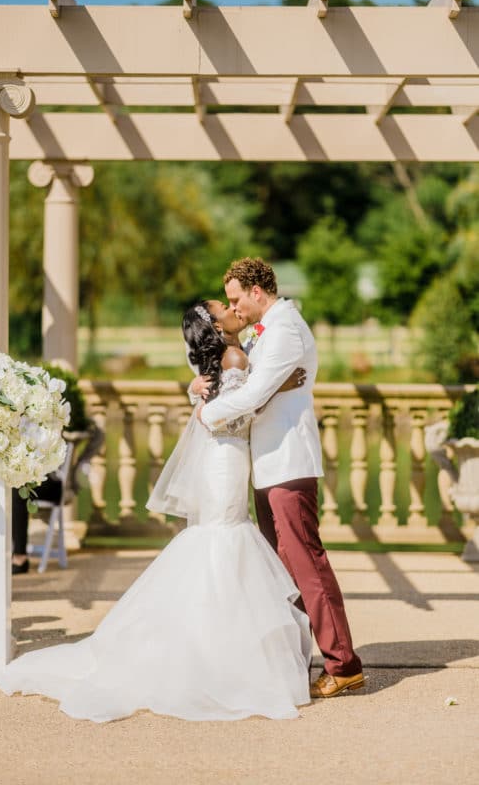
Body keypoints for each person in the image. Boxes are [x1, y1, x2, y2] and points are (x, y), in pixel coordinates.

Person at [0, 301, 313, 723]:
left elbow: (221, 392)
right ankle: (221, 662)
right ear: (216, 326)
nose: (232, 307)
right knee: (224, 537)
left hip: (225, 458)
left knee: (218, 539)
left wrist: (202, 393)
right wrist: (267, 388)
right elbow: (238, 410)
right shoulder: (236, 356)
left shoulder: (232, 356)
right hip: (228, 456)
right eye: (224, 307)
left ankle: (208, 648)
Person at [198, 258, 364, 699]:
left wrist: (206, 415)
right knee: (281, 569)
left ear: (257, 291)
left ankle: (344, 663)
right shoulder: (262, 334)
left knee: (306, 563)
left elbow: (254, 393)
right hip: (267, 464)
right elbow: (240, 382)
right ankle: (295, 659)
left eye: (236, 299)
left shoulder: (286, 328)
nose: (234, 309)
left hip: (289, 462)